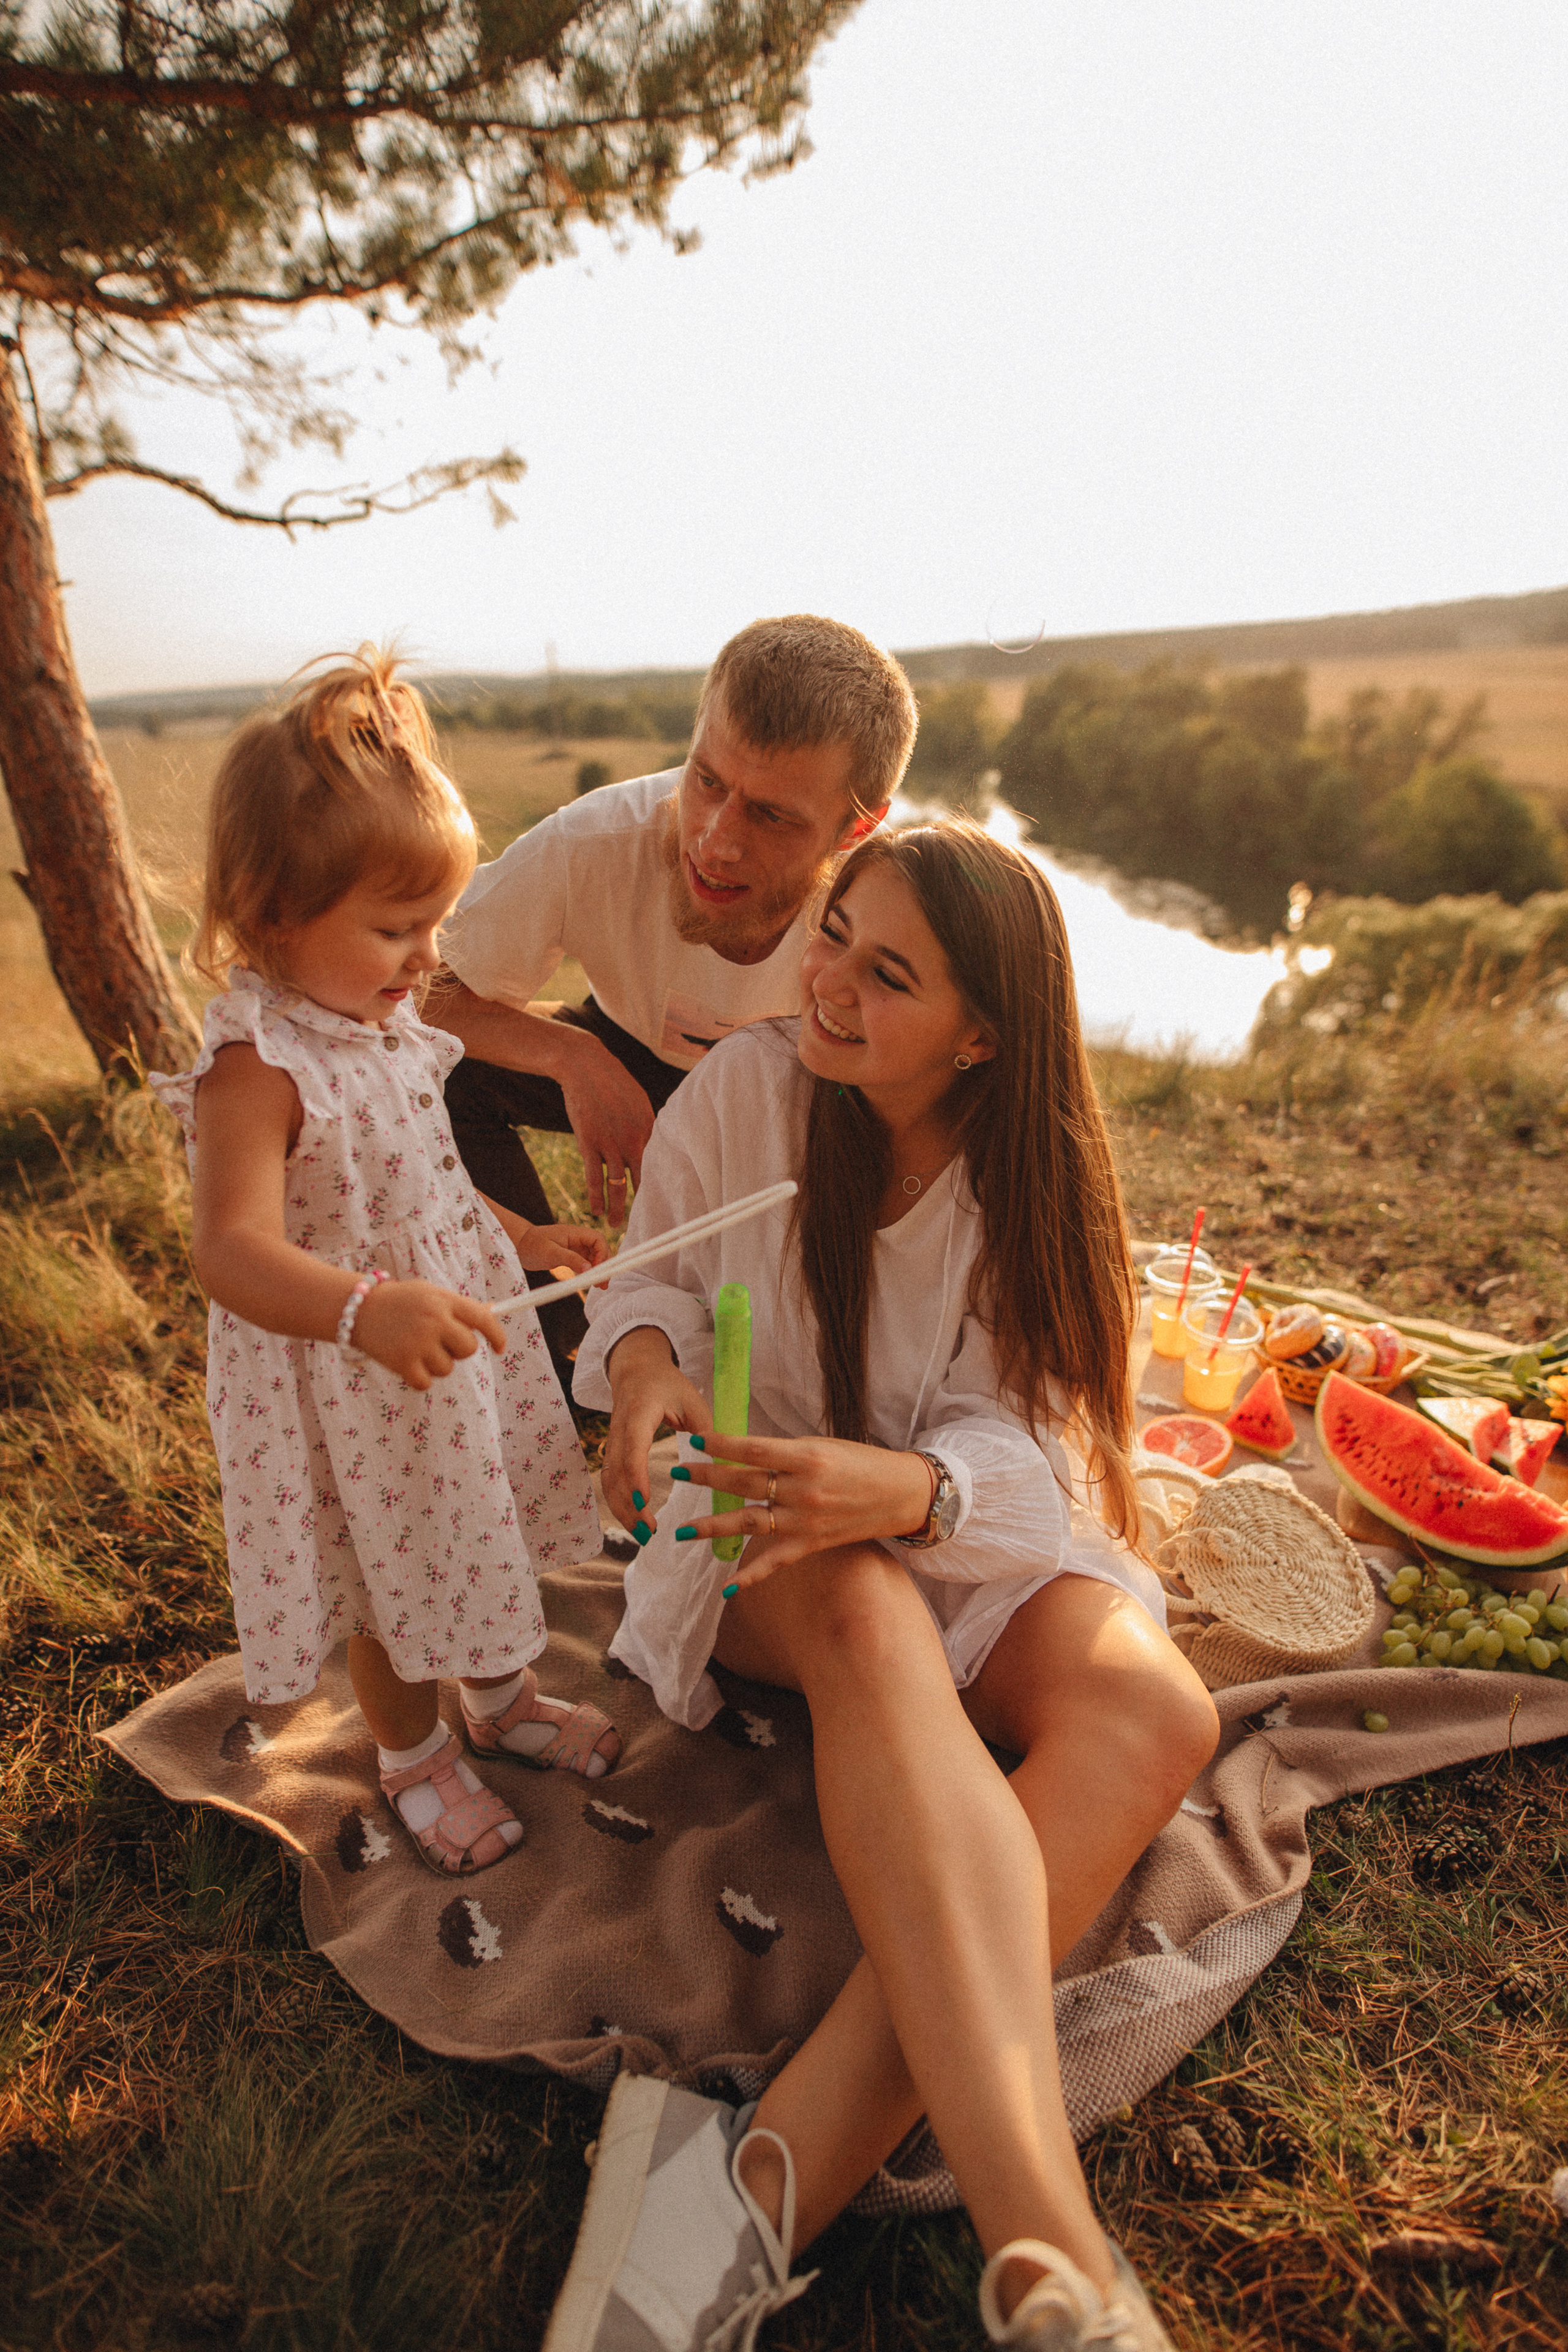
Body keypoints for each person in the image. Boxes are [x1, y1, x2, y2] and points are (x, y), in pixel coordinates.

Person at [545, 822, 1221, 2352]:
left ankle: (764, 2170)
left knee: (1154, 1708)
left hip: (961, 1527)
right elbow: (647, 1284)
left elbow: (1048, 1455)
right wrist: (646, 1379)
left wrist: (912, 1487)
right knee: (857, 1599)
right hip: (763, 1535)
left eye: (886, 970)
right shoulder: (744, 1090)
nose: (826, 978)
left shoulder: (1028, 1176)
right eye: (834, 931)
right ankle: (1047, 2246)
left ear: (985, 1030)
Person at [151, 650, 621, 1880]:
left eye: (438, 925)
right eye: (396, 928)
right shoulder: (255, 1063)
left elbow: (419, 1171)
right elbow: (230, 1249)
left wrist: (518, 1240)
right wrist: (361, 1310)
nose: (427, 960)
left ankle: (502, 1701)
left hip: (441, 1338)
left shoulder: (388, 1024)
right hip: (345, 1374)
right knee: (386, 1564)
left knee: (474, 1522)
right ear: (272, 916)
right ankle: (411, 1754)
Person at [427, 615, 916, 1374]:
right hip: (633, 1048)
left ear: (857, 827)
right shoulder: (590, 840)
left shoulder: (892, 896)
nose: (716, 841)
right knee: (443, 1071)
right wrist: (570, 1053)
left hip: (817, 1083)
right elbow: (415, 995)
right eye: (707, 781)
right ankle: (546, 1342)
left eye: (772, 815)